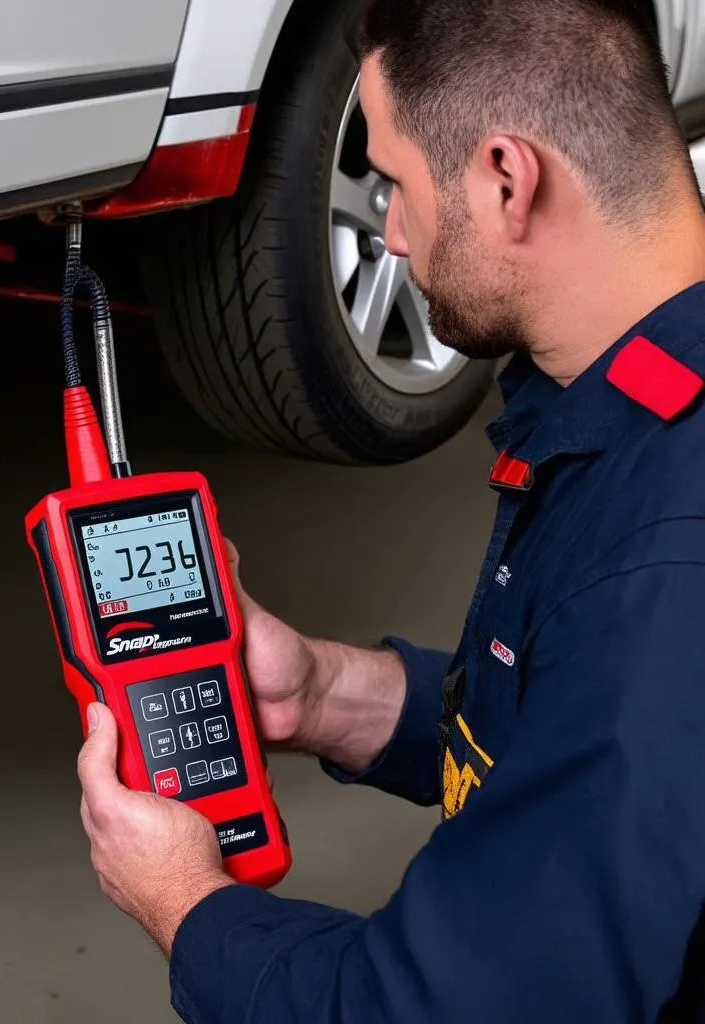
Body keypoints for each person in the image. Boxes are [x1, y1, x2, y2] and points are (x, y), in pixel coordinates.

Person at [76, 0, 705, 1018]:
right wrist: (322, 692)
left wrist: (186, 904)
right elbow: (593, 734)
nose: (390, 232)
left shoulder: (663, 557)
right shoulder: (630, 407)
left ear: (508, 178)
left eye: (397, 183)